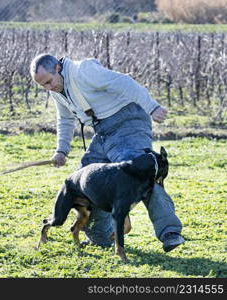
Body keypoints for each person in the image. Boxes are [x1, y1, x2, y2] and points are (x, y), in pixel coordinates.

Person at [30, 53, 185, 252]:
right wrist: (61, 150)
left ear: (57, 69)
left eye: (49, 82)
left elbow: (124, 82)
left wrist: (151, 107)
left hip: (128, 122)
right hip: (103, 132)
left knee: (139, 172)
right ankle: (101, 238)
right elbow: (65, 119)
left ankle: (170, 232)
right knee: (84, 182)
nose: (48, 88)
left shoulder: (83, 70)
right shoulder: (56, 90)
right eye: (43, 86)